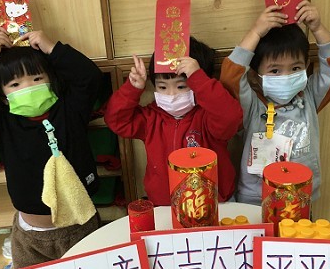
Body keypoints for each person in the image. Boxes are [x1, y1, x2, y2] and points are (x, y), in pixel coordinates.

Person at [0, 27, 103, 269]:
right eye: (15, 84)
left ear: (51, 80)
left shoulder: (70, 110)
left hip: (81, 227)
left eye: (37, 79)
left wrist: (52, 48)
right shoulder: (1, 123)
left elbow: (89, 78)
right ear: (3, 96)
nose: (28, 87)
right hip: (31, 237)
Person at [220, 1, 330, 205]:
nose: (286, 76)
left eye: (295, 68)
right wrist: (255, 32)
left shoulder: (309, 97)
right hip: (256, 199)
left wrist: (318, 28)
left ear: (306, 66)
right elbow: (231, 77)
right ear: (254, 76)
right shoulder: (251, 106)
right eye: (275, 70)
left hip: (301, 196)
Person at [104, 37, 243, 206]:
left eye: (181, 87)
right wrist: (132, 89)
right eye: (162, 87)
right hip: (166, 206)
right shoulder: (150, 118)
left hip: (213, 203)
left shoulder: (208, 117)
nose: (171, 95)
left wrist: (198, 78)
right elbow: (116, 120)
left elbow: (231, 117)